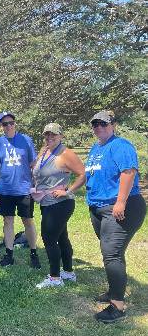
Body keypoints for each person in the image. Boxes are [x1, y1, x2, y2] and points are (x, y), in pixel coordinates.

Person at [85, 111, 146, 323]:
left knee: (111, 253)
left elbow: (128, 173)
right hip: (99, 207)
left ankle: (118, 307)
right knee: (113, 253)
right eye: (95, 124)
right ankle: (114, 292)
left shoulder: (121, 145)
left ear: (114, 125)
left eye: (103, 123)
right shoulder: (96, 148)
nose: (99, 127)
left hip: (121, 207)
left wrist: (120, 202)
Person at [31, 123, 85, 289]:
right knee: (61, 237)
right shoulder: (46, 151)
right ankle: (68, 272)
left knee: (49, 238)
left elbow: (84, 174)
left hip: (60, 203)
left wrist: (67, 191)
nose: (49, 137)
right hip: (47, 202)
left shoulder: (66, 153)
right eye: (46, 134)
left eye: (53, 134)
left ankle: (55, 277)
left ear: (61, 136)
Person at [0, 111, 41, 268]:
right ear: (1, 126)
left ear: (15, 123)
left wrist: (36, 184)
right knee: (8, 221)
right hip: (5, 189)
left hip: (24, 189)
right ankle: (9, 254)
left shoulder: (26, 140)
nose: (9, 126)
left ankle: (33, 253)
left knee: (28, 221)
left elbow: (34, 164)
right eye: (5, 124)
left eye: (11, 122)